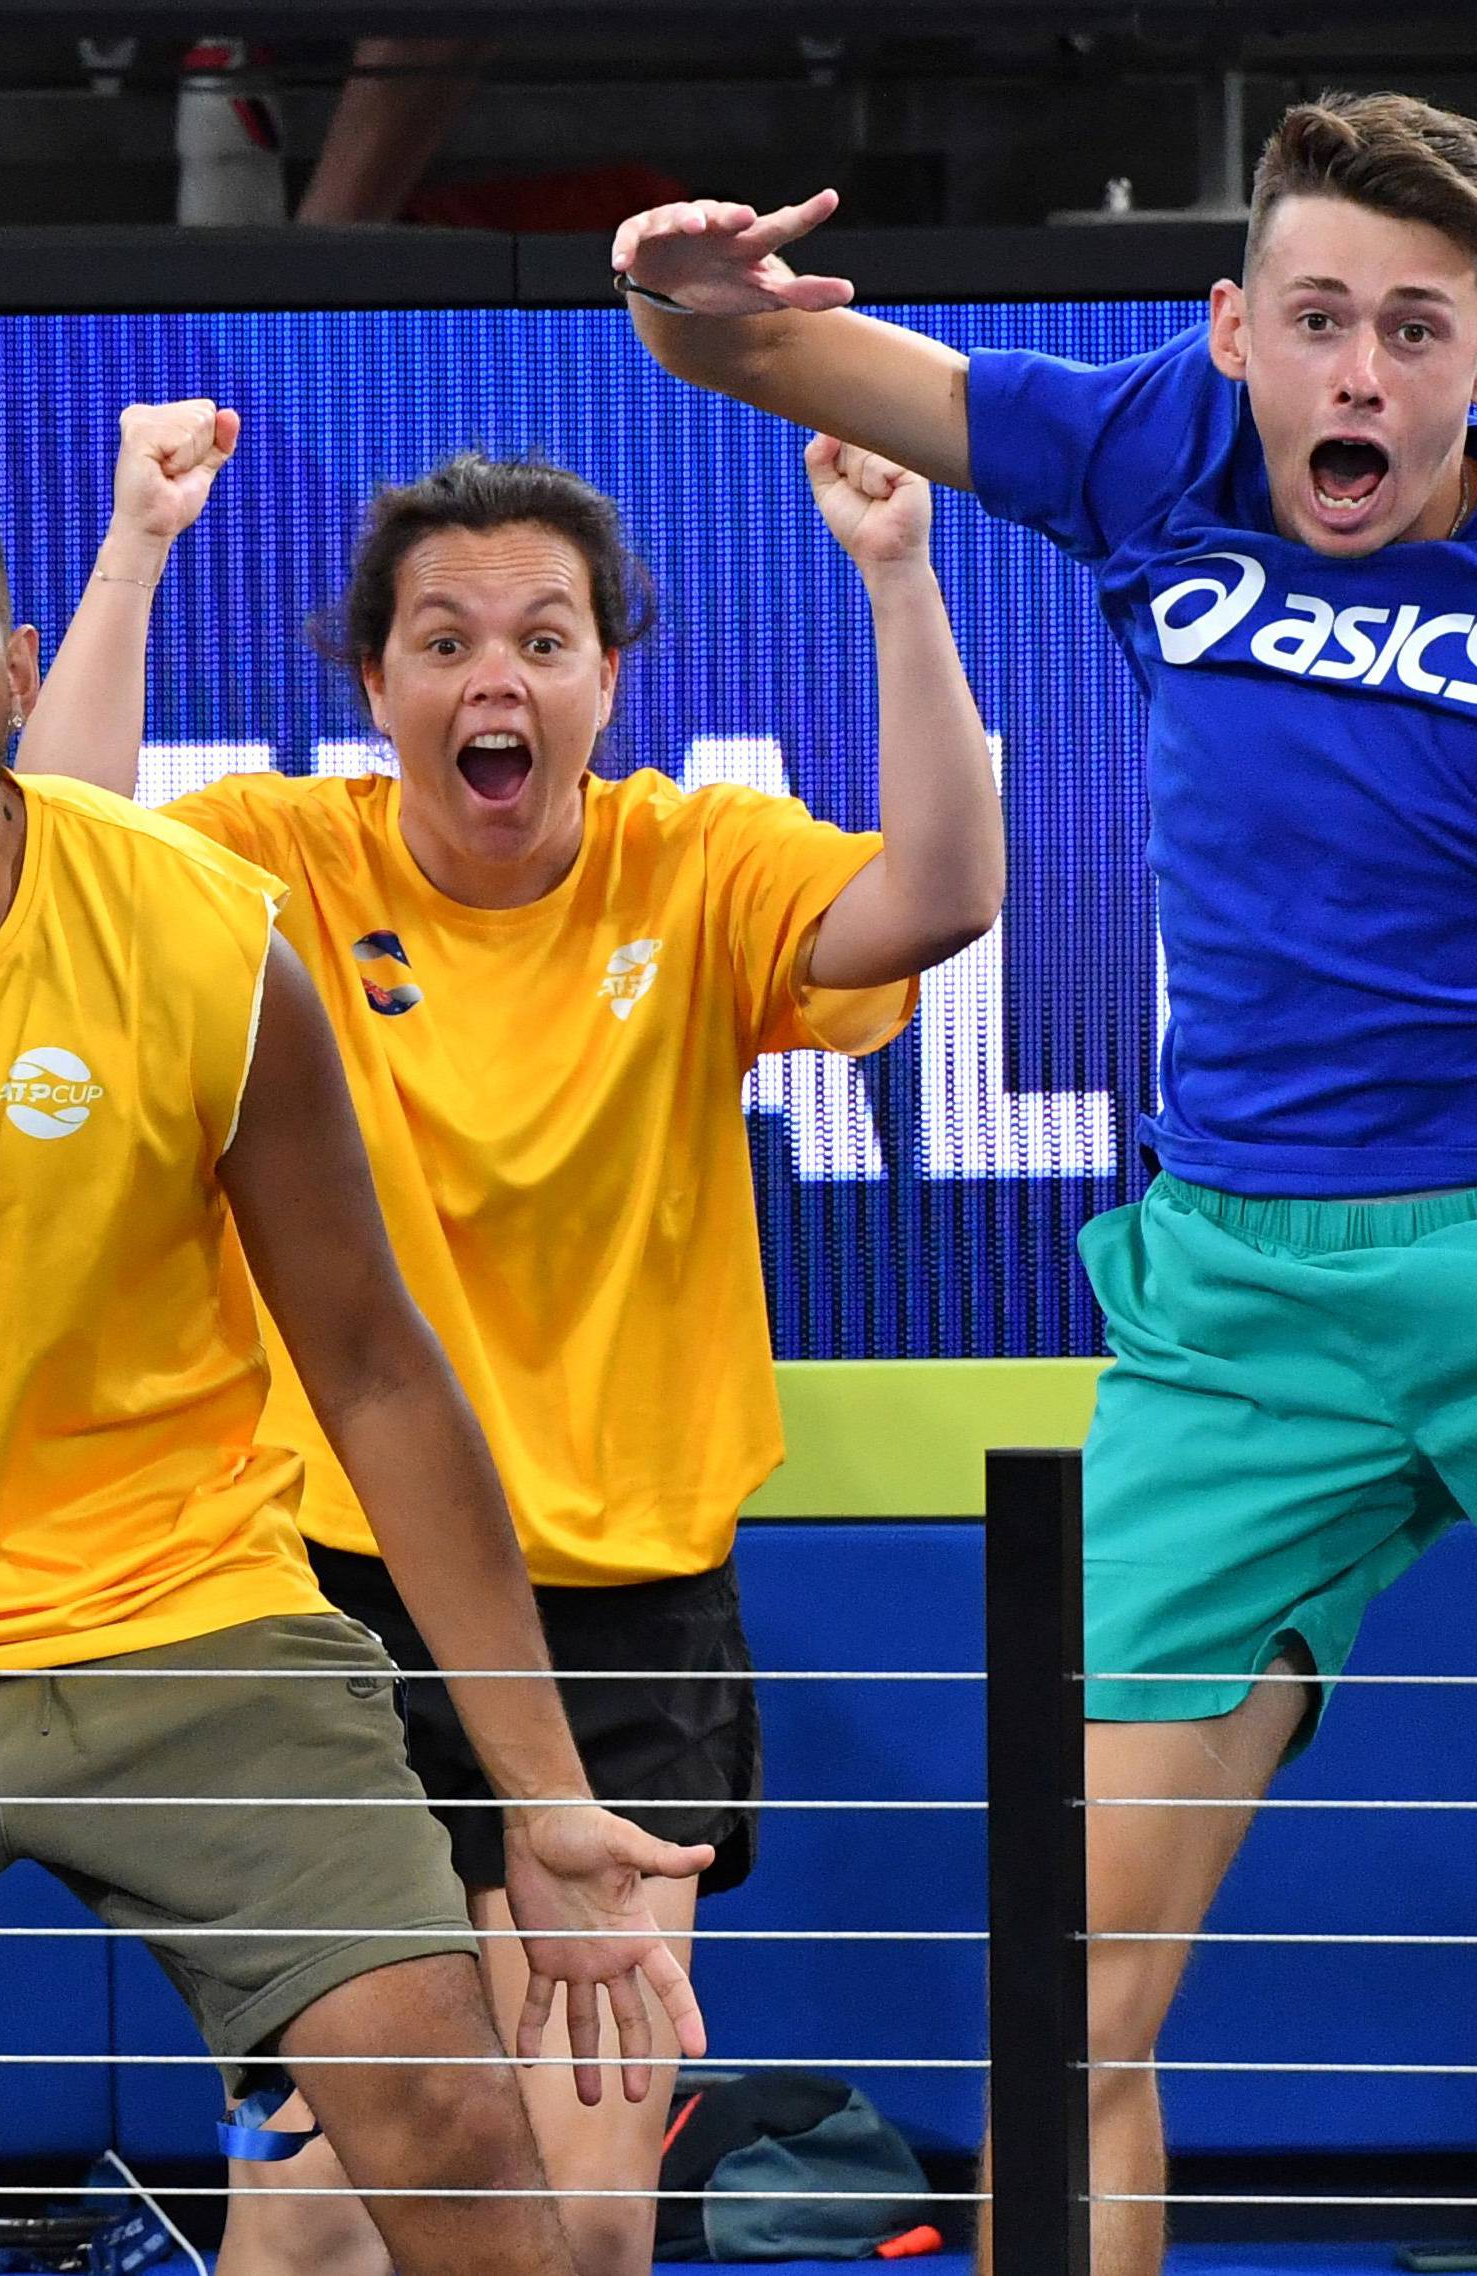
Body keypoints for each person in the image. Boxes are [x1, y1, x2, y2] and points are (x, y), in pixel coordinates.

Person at [0, 438, 716, 2276]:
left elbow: (375, 1367)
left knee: (468, 2152)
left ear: (18, 673)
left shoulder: (197, 942)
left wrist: (547, 1799)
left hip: (177, 1611)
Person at [612, 87, 1477, 2276]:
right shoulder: (1145, 452)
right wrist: (675, 286)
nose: (1361, 374)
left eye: (1418, 328)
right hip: (1237, 1317)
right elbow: (745, 345)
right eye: (1317, 321)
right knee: (1057, 1987)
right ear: (1230, 334)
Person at [18, 404, 1004, 2274]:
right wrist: (138, 544)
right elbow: (62, 853)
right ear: (378, 683)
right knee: (315, 2232)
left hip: (629, 1617)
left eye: (545, 639)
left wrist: (899, 571)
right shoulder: (277, 863)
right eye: (448, 640)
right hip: (334, 1602)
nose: (499, 677)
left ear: (606, 678)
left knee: (579, 2224)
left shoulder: (699, 870)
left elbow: (942, 895)